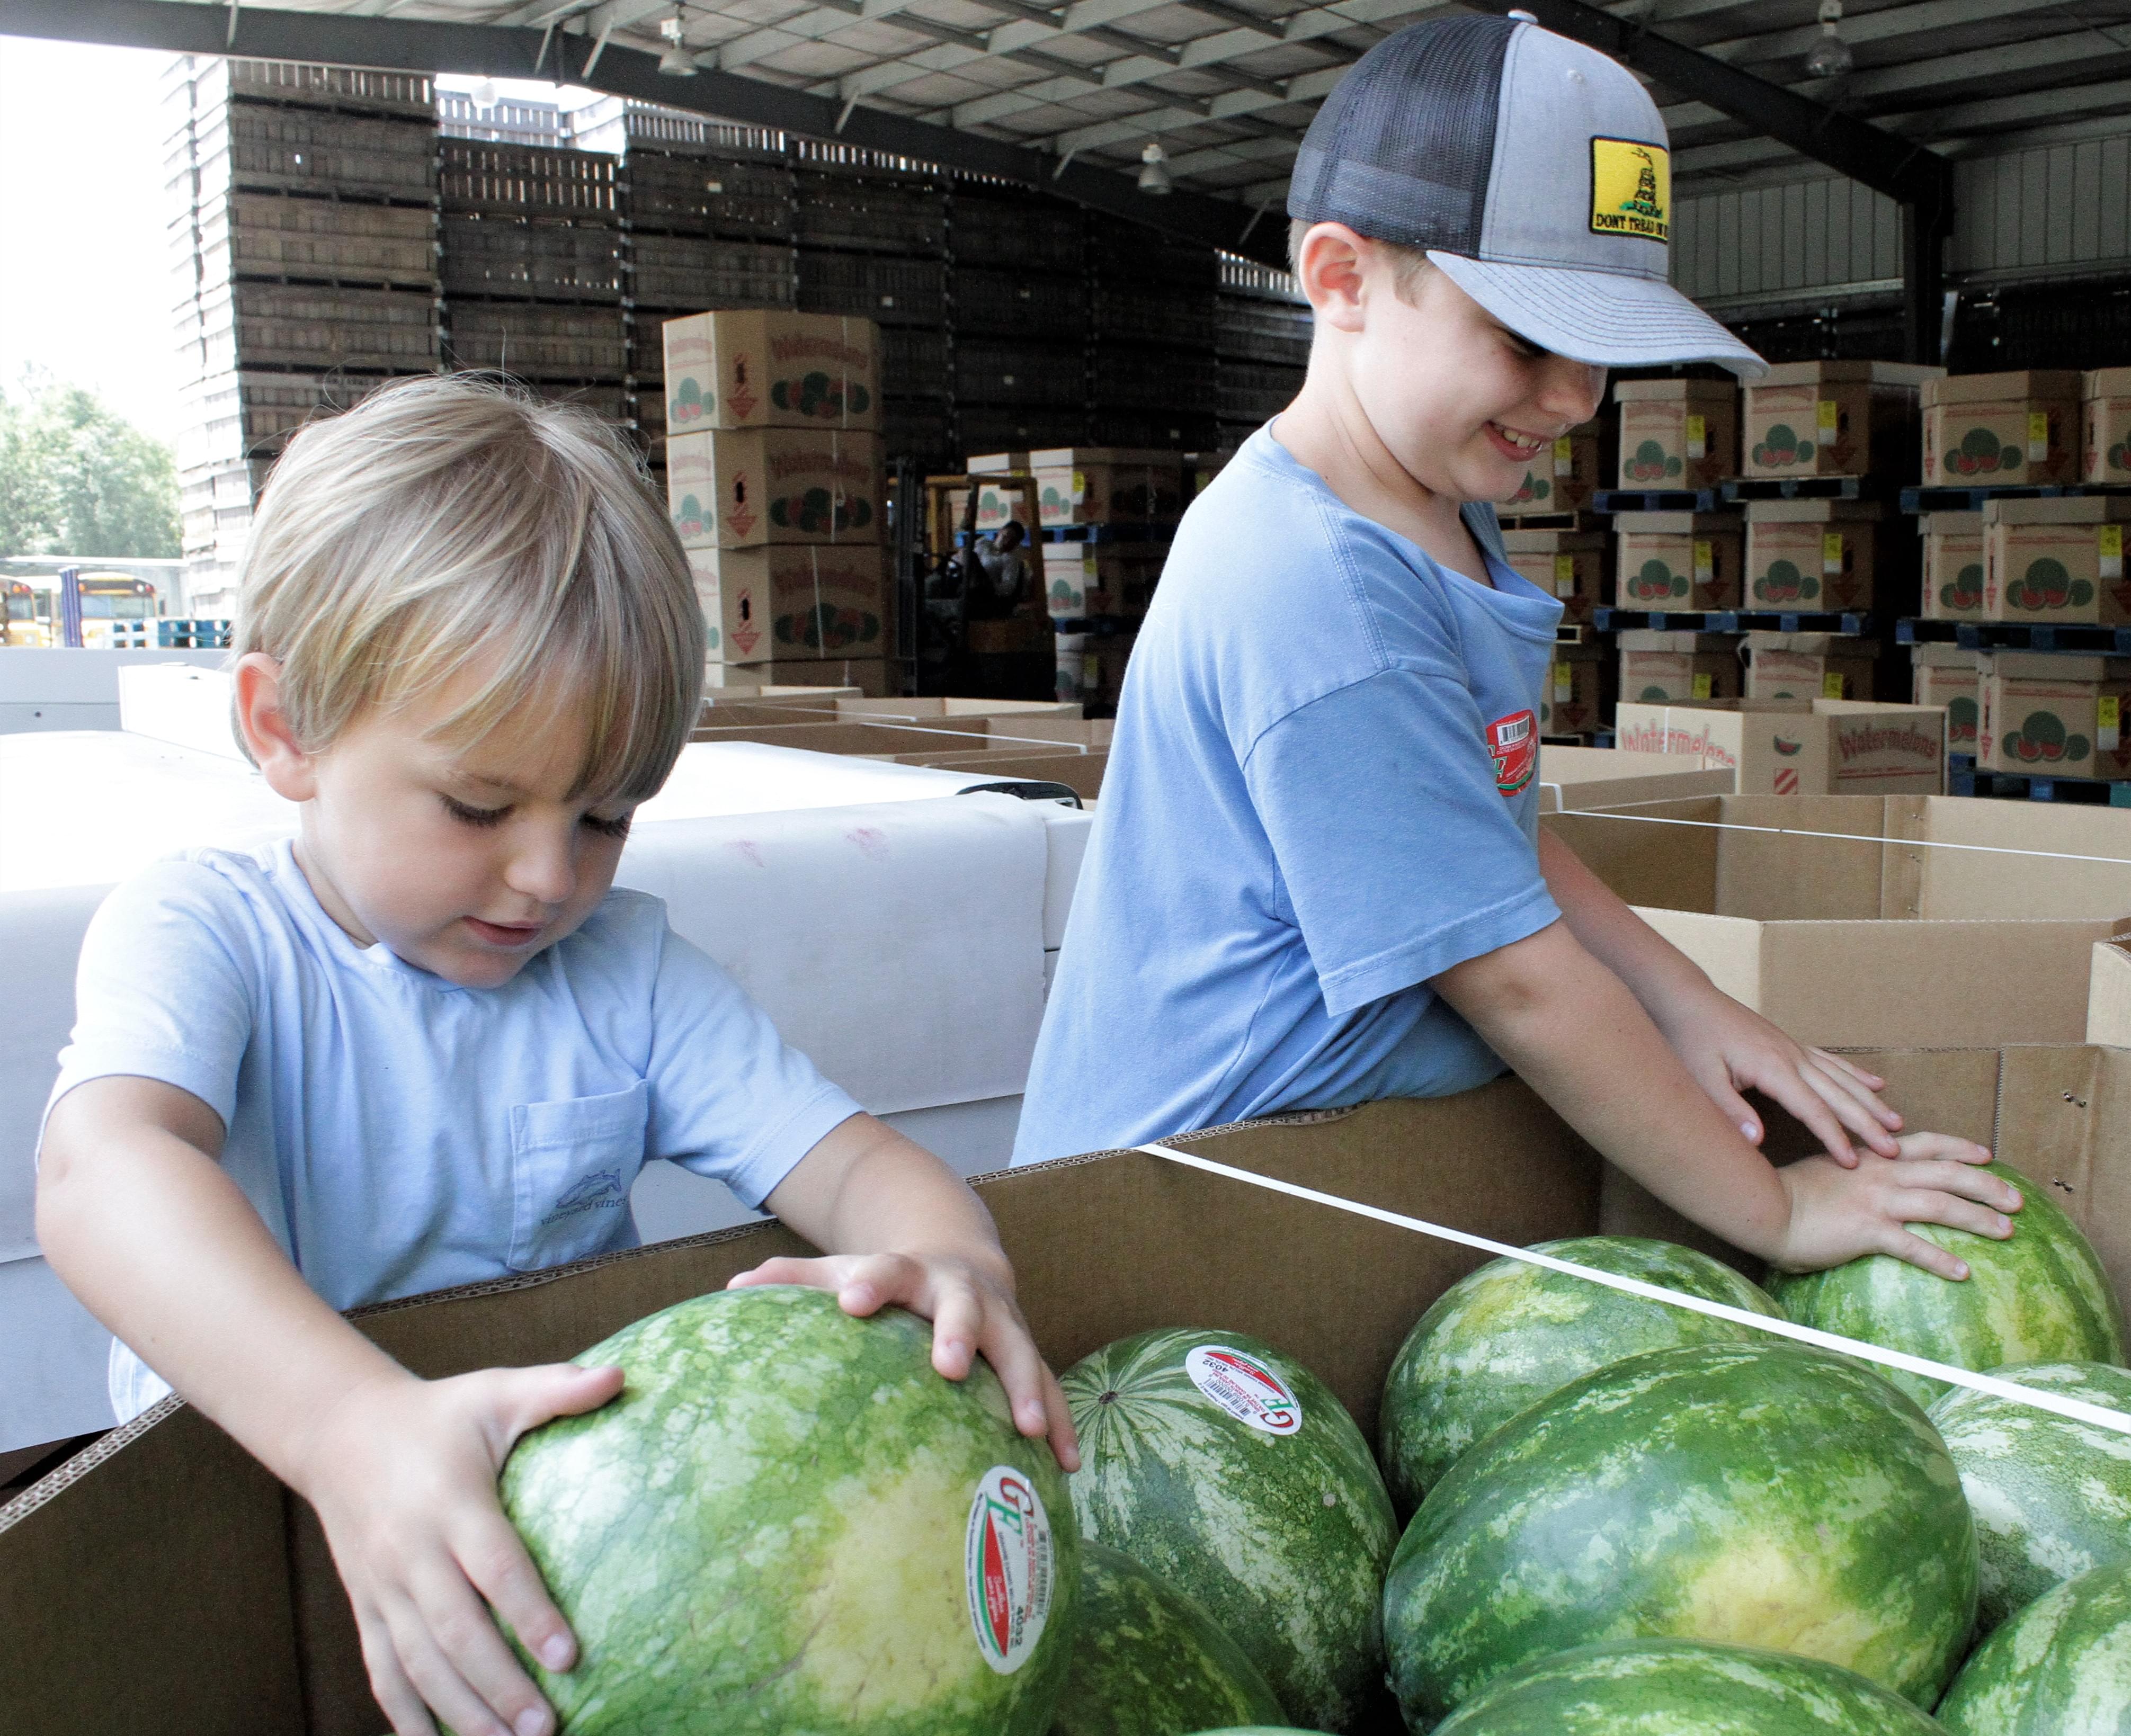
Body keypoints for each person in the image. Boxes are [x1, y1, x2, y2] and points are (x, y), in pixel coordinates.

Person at [35, 375, 1076, 1736]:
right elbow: (99, 1171)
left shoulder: (622, 976)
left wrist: (953, 1264)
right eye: (479, 803)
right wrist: (353, 1435)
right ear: (285, 730)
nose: (543, 875)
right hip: (250, 1537)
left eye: (603, 815)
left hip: (567, 1606)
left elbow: (863, 1167)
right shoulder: (204, 931)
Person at [1013, 14, 2022, 1283]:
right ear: (1341, 280)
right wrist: (1774, 1214)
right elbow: (1519, 984)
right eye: (1526, 341)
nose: (1571, 400)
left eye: (1599, 353)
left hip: (1345, 1168)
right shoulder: (1321, 592)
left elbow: (1493, 836)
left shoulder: (1431, 507)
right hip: (1196, 1218)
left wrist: (1692, 1006)